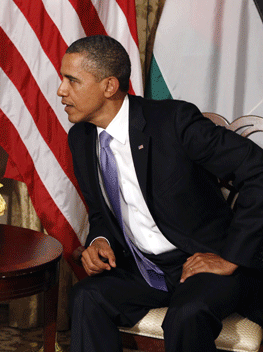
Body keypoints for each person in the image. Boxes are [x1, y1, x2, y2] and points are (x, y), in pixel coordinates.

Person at [59, 35, 263, 352]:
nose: (61, 90)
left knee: (186, 315)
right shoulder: (81, 138)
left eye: (72, 80)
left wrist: (229, 257)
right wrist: (100, 241)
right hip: (143, 269)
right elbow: (101, 214)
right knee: (86, 297)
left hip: (201, 260)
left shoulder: (174, 122)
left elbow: (258, 170)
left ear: (109, 86)